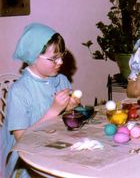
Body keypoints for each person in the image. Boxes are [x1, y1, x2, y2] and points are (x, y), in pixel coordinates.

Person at [1, 23, 81, 178]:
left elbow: (66, 124)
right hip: (27, 163)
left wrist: (71, 109)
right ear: (32, 56)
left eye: (61, 56)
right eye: (54, 59)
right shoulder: (19, 91)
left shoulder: (61, 80)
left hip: (58, 149)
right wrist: (54, 110)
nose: (61, 63)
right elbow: (22, 140)